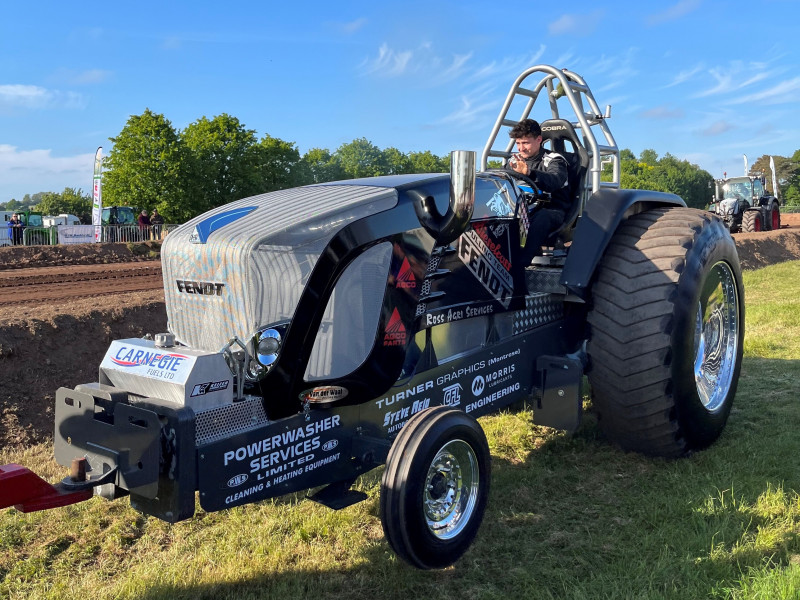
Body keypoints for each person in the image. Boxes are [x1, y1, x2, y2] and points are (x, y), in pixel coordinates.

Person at [505, 118, 570, 266]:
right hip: (522, 208)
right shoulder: (513, 162)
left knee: (541, 217)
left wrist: (529, 173)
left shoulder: (554, 160)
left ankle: (520, 264)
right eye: (518, 143)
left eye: (525, 143)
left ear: (539, 139)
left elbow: (555, 180)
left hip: (552, 210)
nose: (521, 148)